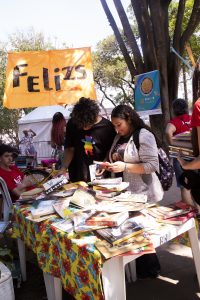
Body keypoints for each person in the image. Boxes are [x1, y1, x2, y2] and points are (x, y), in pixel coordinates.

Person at [106, 104, 164, 203]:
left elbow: (152, 165)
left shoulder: (144, 135)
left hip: (144, 195)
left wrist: (125, 167)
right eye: (114, 126)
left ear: (129, 119)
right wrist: (108, 164)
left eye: (119, 125)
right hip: (124, 195)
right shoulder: (118, 137)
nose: (117, 129)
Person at [60, 97, 116, 182]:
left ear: (95, 117)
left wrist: (104, 164)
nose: (84, 128)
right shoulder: (72, 123)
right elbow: (70, 148)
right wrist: (64, 168)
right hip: (77, 176)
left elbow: (110, 151)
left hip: (100, 177)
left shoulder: (107, 127)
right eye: (81, 125)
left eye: (87, 125)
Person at [165, 98, 192, 202]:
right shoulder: (192, 118)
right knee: (196, 184)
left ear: (174, 110)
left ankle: (190, 212)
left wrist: (172, 144)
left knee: (184, 186)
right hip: (195, 156)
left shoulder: (174, 122)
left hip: (180, 157)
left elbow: (168, 132)